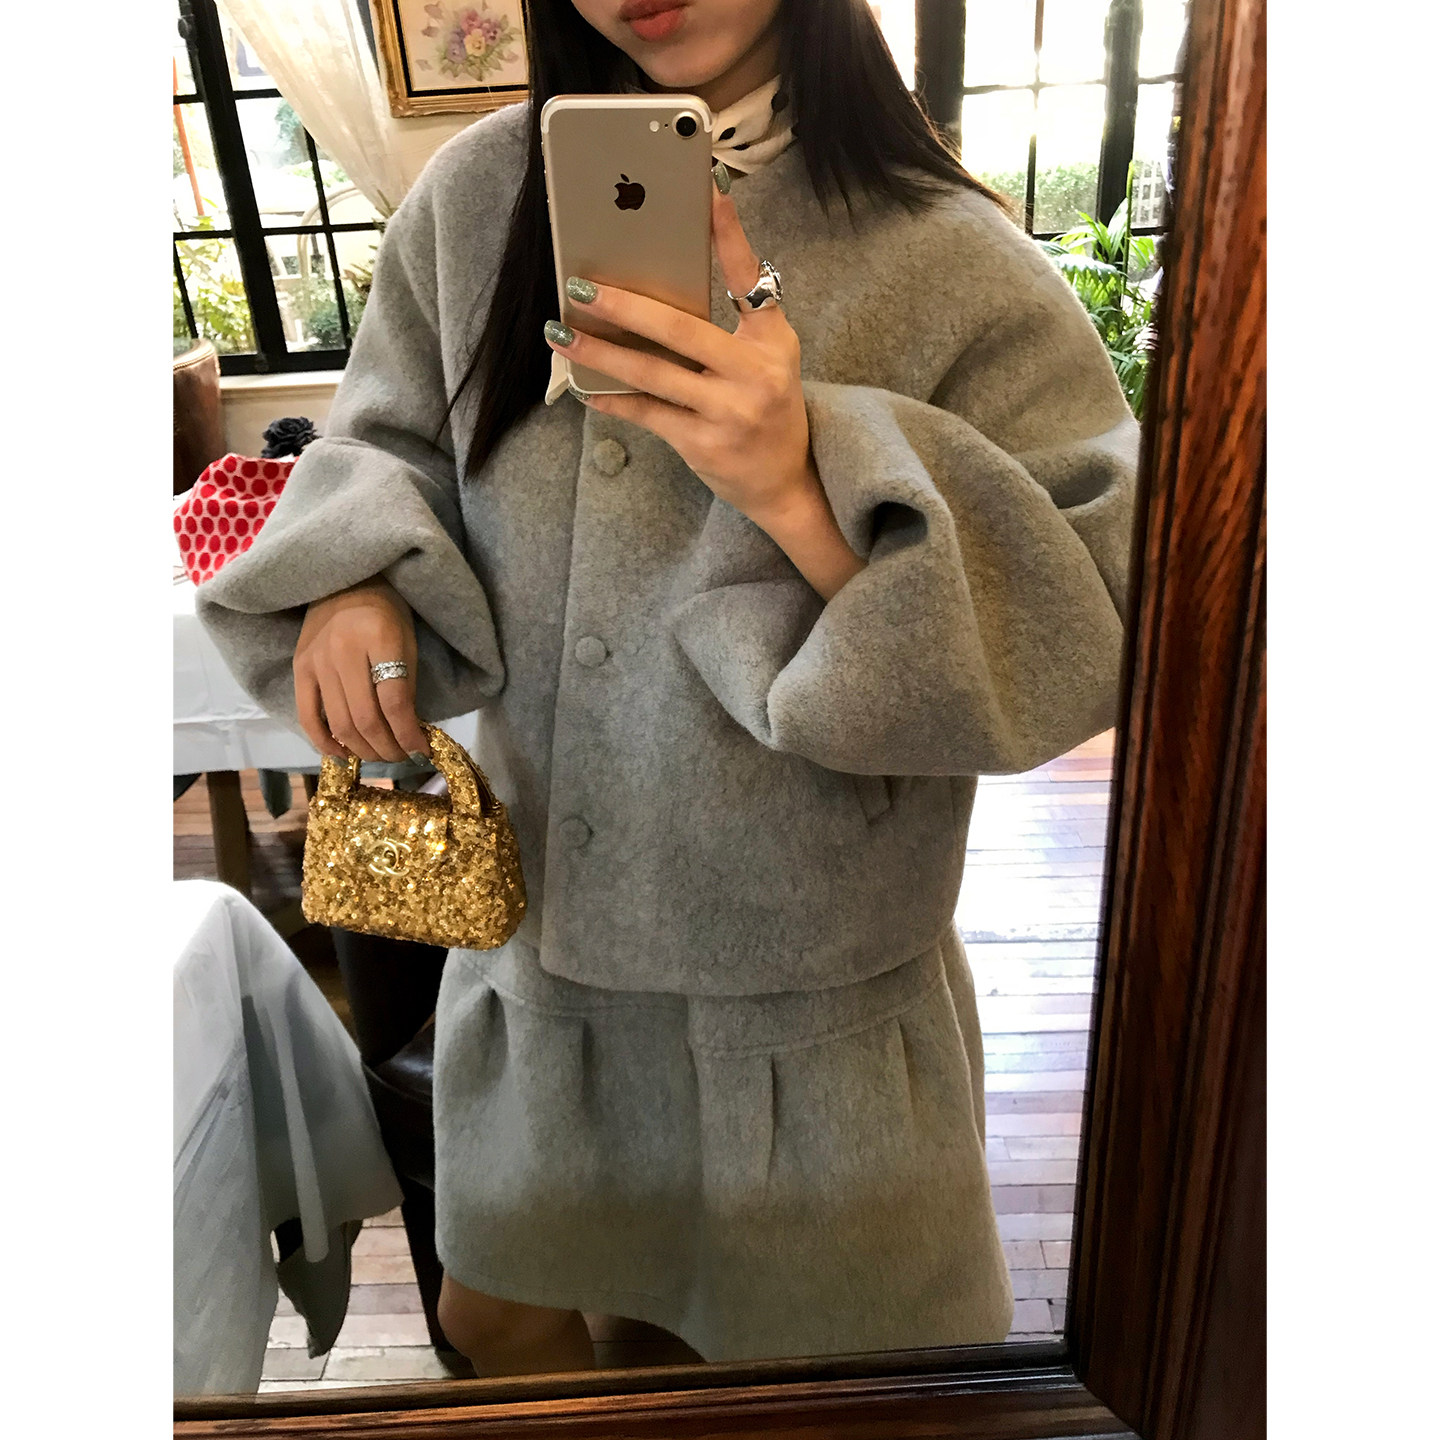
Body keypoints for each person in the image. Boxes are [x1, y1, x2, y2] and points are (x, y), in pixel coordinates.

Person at [200, 0, 1137, 1375]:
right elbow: (387, 440)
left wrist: (801, 475)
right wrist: (355, 576)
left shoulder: (951, 253)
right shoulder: (477, 202)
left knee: (794, 1383)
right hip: (543, 965)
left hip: (812, 1011)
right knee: (504, 1328)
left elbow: (1085, 617)